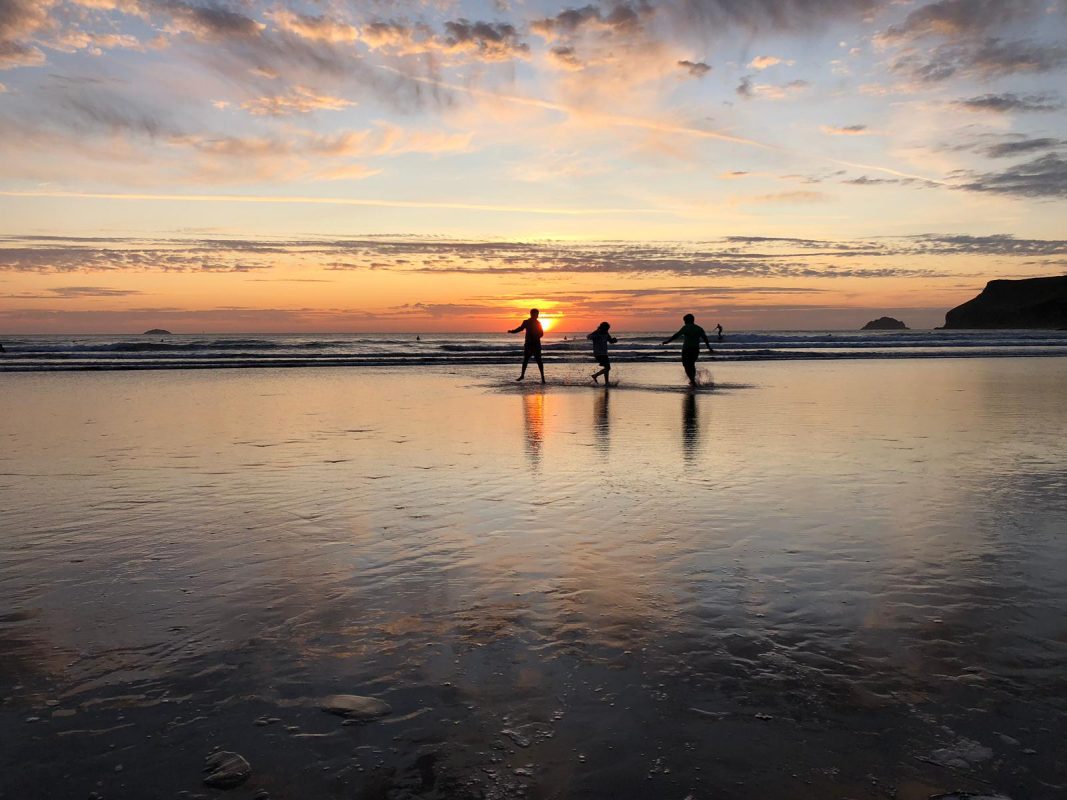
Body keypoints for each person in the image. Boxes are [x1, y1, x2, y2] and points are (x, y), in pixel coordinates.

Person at [662, 313, 714, 386]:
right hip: (695, 350)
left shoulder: (686, 327)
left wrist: (668, 341)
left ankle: (692, 381)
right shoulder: (699, 328)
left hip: (687, 349)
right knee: (691, 364)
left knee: (686, 365)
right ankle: (693, 380)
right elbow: (705, 338)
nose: (684, 322)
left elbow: (677, 335)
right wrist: (709, 347)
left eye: (685, 320)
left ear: (687, 320)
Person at [508, 308, 545, 383]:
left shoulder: (538, 323)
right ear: (531, 314)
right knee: (525, 360)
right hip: (528, 344)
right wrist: (512, 331)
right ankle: (522, 376)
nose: (537, 315)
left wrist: (536, 337)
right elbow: (520, 328)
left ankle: (542, 378)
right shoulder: (526, 322)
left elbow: (541, 333)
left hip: (536, 344)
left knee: (539, 361)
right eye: (535, 314)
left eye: (537, 314)